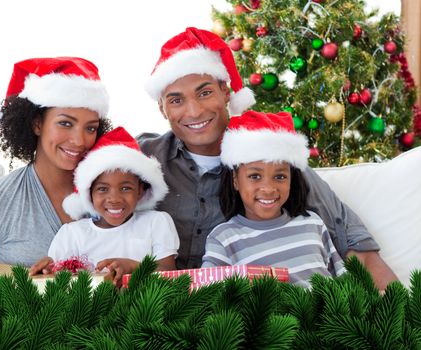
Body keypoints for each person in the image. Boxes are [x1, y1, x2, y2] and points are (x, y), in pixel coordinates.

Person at [138, 27, 397, 290]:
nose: (194, 111)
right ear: (162, 108)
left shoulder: (273, 156)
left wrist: (403, 319)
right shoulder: (141, 159)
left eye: (205, 93)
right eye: (176, 100)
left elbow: (358, 251)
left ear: (226, 92)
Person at [0, 56, 112, 268]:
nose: (79, 140)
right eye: (65, 123)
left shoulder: (113, 191)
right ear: (37, 124)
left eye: (90, 128)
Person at [201, 110, 346, 288]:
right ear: (235, 181)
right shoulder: (223, 239)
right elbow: (206, 294)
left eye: (280, 177)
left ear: (292, 179)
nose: (269, 189)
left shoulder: (313, 224)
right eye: (254, 176)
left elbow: (342, 279)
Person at [29, 126, 179, 286]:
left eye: (125, 188)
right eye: (102, 189)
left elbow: (169, 273)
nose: (114, 199)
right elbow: (58, 278)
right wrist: (47, 269)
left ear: (140, 191)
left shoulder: (156, 223)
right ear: (89, 193)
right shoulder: (72, 234)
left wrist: (135, 267)